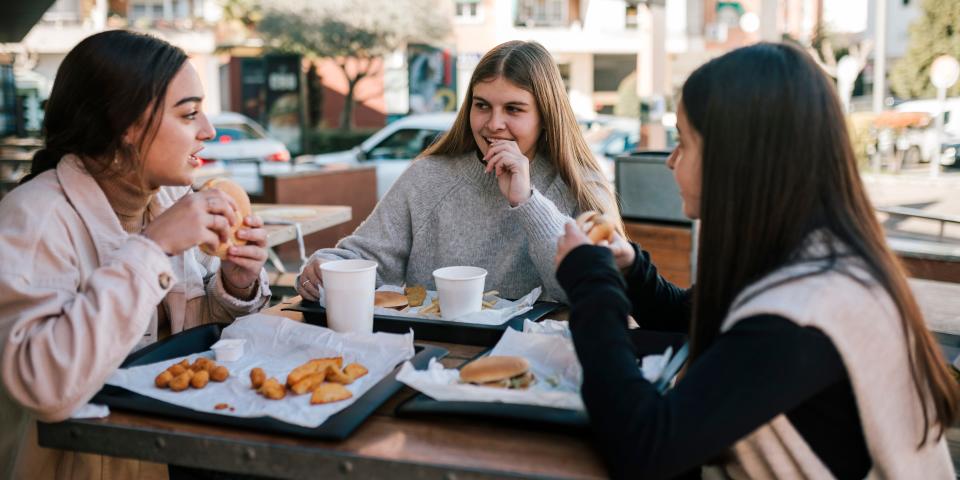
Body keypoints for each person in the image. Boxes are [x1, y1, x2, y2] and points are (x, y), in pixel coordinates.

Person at [555, 42, 958, 479]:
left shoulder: (805, 312)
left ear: (736, 163)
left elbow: (645, 447)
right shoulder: (807, 257)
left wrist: (591, 283)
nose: (671, 161)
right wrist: (628, 267)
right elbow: (690, 319)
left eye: (685, 144)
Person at [0, 31, 271, 479]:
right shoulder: (34, 220)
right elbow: (45, 386)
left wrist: (235, 282)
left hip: (176, 447)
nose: (209, 131)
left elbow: (191, 344)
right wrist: (152, 248)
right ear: (126, 125)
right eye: (189, 114)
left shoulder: (168, 199)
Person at [296, 40, 620, 303]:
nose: (493, 124)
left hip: (536, 365)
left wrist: (528, 202)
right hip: (432, 358)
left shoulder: (581, 185)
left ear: (546, 116)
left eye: (513, 109)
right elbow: (367, 257)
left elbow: (585, 291)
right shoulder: (428, 177)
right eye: (482, 106)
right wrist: (328, 266)